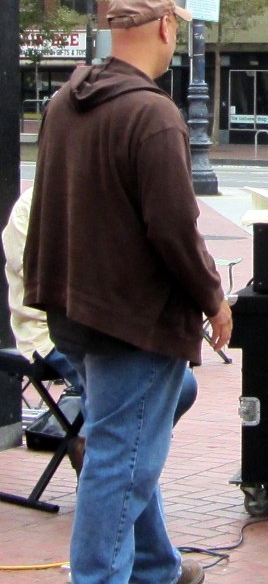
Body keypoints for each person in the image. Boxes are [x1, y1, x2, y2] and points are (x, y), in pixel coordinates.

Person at [23, 0, 232, 584]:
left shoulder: (64, 101)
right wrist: (213, 297)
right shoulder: (154, 114)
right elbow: (175, 227)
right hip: (130, 318)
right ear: (167, 28)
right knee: (121, 453)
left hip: (76, 309)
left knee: (135, 425)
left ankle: (157, 568)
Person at [3, 185, 198, 479]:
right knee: (155, 386)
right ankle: (108, 461)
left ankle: (108, 453)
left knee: (180, 383)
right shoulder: (29, 209)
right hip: (50, 334)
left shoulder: (97, 198)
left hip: (105, 327)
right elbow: (46, 280)